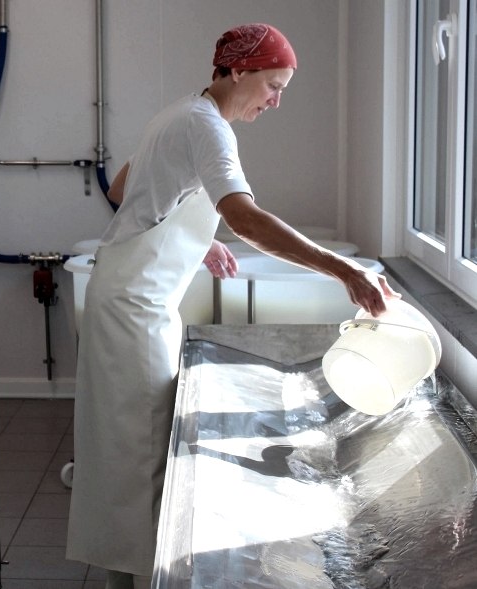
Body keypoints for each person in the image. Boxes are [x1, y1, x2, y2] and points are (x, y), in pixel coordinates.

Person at [65, 23, 399, 588]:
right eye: (273, 86)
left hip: (126, 297)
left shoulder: (179, 113)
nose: (276, 101)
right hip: (134, 311)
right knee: (141, 454)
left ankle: (128, 573)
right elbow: (245, 217)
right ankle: (143, 577)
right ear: (238, 70)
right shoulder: (209, 127)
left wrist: (196, 237)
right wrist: (344, 270)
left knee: (125, 450)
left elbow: (126, 189)